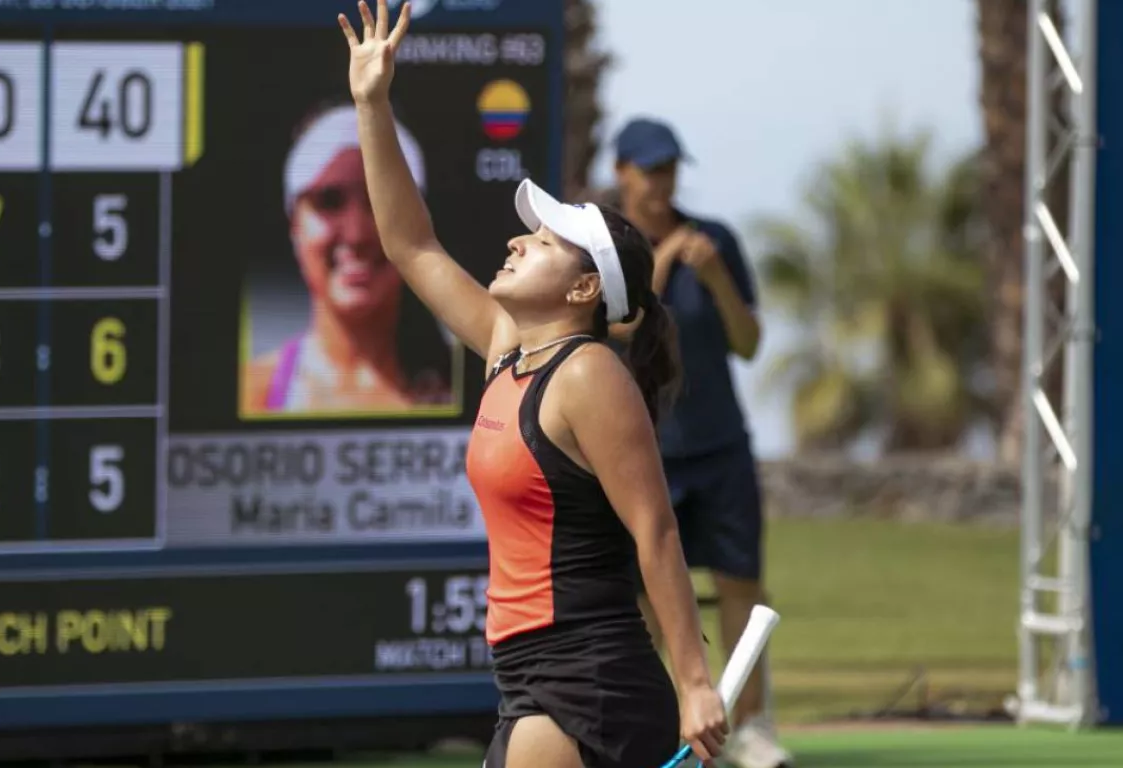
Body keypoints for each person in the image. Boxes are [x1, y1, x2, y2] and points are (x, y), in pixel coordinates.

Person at [336, 3, 727, 767]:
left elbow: (656, 533)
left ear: (586, 291)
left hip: (589, 676)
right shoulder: (507, 352)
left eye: (544, 242)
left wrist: (695, 683)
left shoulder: (589, 375)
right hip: (529, 673)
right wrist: (372, 105)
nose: (517, 240)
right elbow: (409, 244)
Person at [608, 117, 793, 768]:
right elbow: (617, 333)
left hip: (720, 446)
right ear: (621, 171)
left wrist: (715, 279)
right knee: (645, 600)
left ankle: (752, 730)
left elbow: (748, 343)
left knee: (742, 582)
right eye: (650, 169)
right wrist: (657, 267)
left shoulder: (716, 241)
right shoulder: (609, 245)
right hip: (642, 451)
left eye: (670, 169)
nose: (662, 183)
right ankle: (651, 729)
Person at [240, 101, 455, 416]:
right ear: (294, 224)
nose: (356, 235)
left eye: (380, 201)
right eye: (329, 201)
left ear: (419, 220)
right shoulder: (255, 390)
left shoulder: (472, 387)